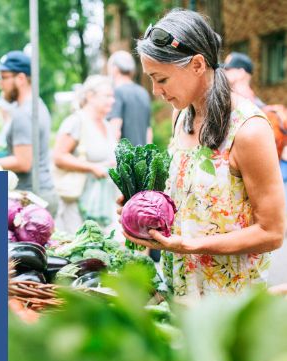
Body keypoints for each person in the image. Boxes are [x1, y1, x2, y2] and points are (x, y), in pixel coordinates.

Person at [118, 9, 285, 300]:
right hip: (177, 295)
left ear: (197, 64)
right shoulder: (180, 115)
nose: (156, 91)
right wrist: (143, 202)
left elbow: (272, 232)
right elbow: (190, 198)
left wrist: (190, 245)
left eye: (162, 79)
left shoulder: (249, 129)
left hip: (227, 307)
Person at [0, 50, 58, 216]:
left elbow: (23, 162)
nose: (0, 84)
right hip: (44, 192)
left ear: (20, 79)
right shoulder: (37, 105)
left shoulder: (23, 114)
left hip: (33, 198)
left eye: (4, 77)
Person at [53, 75, 118, 233]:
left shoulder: (106, 125)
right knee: (79, 252)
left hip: (101, 205)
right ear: (90, 96)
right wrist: (92, 168)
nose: (112, 100)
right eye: (107, 96)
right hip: (76, 204)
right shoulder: (76, 121)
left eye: (113, 96)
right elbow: (58, 157)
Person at [107, 50, 152, 146]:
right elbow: (148, 130)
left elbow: (115, 128)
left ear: (115, 69)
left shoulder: (116, 92)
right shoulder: (143, 92)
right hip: (141, 158)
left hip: (125, 158)